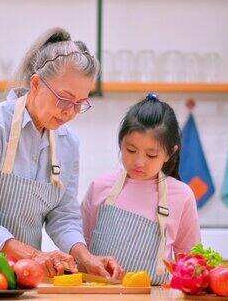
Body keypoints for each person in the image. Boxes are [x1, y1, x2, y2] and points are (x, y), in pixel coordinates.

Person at [0, 27, 123, 279]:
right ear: (35, 84)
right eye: (64, 99)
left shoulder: (68, 143)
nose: (70, 112)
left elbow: (62, 215)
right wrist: (35, 255)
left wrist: (86, 258)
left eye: (80, 104)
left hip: (20, 275)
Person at [81, 93, 201, 285]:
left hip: (154, 295)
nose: (139, 162)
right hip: (99, 293)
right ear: (121, 143)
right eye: (130, 150)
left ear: (170, 153)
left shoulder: (181, 196)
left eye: (151, 155)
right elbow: (80, 249)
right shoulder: (100, 186)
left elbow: (190, 262)